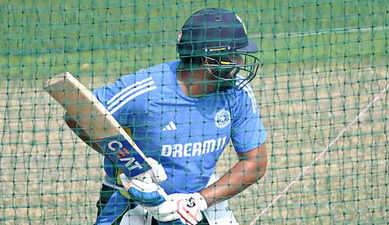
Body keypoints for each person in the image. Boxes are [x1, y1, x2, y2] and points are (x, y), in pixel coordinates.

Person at [66, 8, 267, 225]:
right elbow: (76, 114)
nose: (240, 63)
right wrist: (132, 163)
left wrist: (198, 201)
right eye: (233, 56)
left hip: (196, 200)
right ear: (209, 59)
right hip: (131, 202)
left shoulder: (238, 93)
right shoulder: (145, 91)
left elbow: (255, 162)